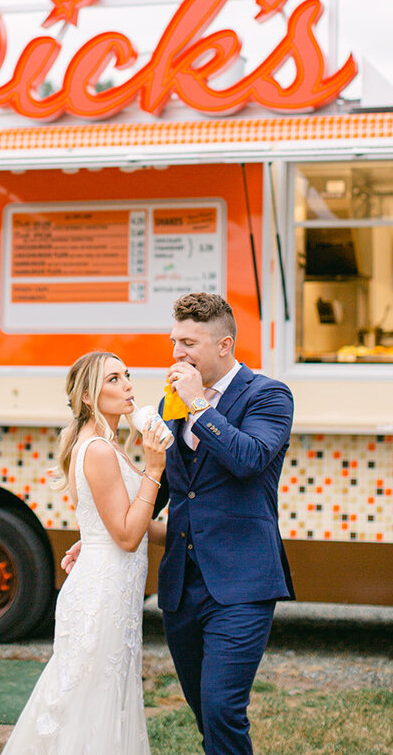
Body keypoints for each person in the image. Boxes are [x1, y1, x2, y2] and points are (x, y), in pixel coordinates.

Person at [2, 350, 168, 755]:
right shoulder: (97, 450)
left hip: (115, 590)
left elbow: (138, 526)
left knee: (103, 702)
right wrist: (154, 469)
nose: (128, 385)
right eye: (113, 379)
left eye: (127, 375)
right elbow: (127, 536)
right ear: (89, 397)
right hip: (101, 596)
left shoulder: (111, 446)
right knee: (88, 703)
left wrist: (201, 532)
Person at [157, 292, 294, 755]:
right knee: (204, 712)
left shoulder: (269, 395)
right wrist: (103, 537)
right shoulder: (172, 400)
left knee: (223, 710)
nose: (177, 353)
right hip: (181, 585)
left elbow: (249, 459)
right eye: (175, 342)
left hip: (241, 582)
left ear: (224, 345)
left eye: (189, 343)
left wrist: (199, 405)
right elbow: (165, 484)